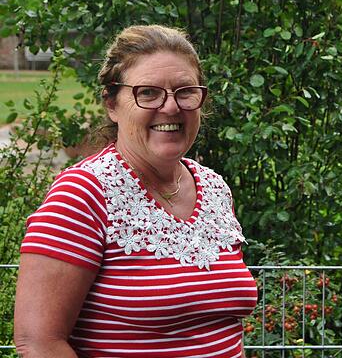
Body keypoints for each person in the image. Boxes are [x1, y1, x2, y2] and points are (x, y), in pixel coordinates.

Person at [14, 25, 258, 357]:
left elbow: (221, 332)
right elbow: (39, 342)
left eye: (185, 91)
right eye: (148, 93)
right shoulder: (83, 194)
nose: (171, 107)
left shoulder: (214, 188)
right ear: (112, 104)